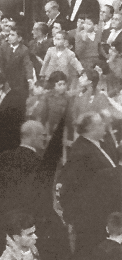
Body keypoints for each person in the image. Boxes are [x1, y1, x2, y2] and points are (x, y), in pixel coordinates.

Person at [60, 111, 118, 260]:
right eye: (100, 123)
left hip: (103, 209)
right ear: (90, 128)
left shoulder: (99, 144)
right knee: (88, 250)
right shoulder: (81, 152)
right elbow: (73, 186)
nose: (104, 125)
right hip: (91, 215)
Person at [0, 121, 46, 257]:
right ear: (33, 135)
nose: (45, 138)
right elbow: (38, 200)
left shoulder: (2, 158)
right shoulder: (38, 163)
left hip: (0, 225)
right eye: (43, 135)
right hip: (23, 229)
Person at [0, 25, 35, 97]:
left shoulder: (24, 50)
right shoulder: (4, 46)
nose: (9, 36)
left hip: (18, 81)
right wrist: (3, 79)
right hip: (5, 78)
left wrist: (30, 78)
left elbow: (27, 64)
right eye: (9, 34)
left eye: (12, 35)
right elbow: (0, 63)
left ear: (19, 38)